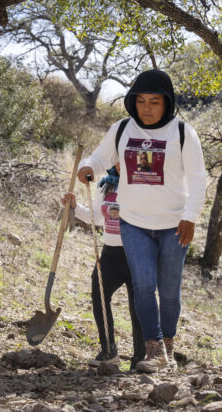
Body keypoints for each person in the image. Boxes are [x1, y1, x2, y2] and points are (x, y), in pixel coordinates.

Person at [77, 69, 207, 373]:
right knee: (144, 285)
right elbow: (98, 158)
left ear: (168, 104)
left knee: (169, 290)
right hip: (133, 222)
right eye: (141, 101)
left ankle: (169, 347)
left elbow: (200, 179)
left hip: (174, 224)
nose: (146, 108)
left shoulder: (183, 133)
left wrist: (190, 216)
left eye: (155, 102)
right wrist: (87, 167)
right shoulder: (121, 129)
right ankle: (153, 348)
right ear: (133, 102)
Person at [60, 166, 145, 369]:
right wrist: (75, 206)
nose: (118, 162)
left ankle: (140, 359)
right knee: (99, 293)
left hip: (137, 253)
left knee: (138, 306)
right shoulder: (106, 185)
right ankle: (108, 351)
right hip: (110, 254)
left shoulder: (142, 183)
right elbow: (97, 217)